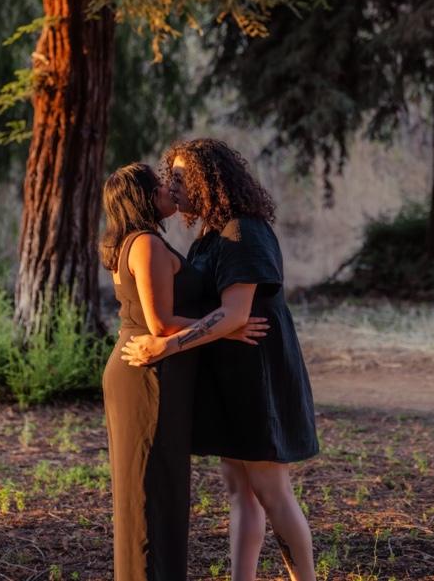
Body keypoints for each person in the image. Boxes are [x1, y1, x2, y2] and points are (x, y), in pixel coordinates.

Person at [121, 139, 318, 581]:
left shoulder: (243, 232)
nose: (172, 186)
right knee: (239, 489)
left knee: (270, 490)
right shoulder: (211, 234)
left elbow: (236, 314)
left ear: (209, 180)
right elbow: (221, 316)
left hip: (258, 376)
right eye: (170, 177)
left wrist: (166, 346)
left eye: (180, 177)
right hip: (229, 375)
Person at [100, 162, 268, 581]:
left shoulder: (141, 241)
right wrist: (227, 327)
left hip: (153, 369)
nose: (168, 190)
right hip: (149, 374)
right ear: (142, 197)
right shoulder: (146, 245)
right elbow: (159, 325)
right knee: (150, 490)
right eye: (159, 185)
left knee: (159, 486)